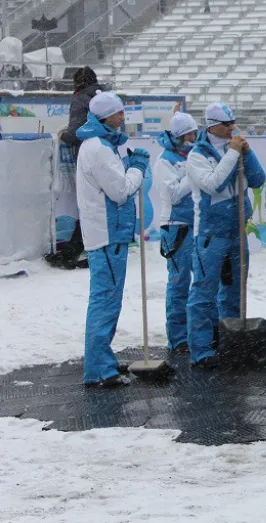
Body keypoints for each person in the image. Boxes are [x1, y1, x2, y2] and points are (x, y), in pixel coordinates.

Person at [185, 103, 266, 368]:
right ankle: (201, 349)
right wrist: (232, 153)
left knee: (234, 290)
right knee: (204, 291)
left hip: (236, 230)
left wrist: (248, 153)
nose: (232, 127)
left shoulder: (236, 148)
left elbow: (257, 180)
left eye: (233, 122)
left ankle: (228, 340)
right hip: (211, 232)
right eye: (226, 123)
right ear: (211, 125)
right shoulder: (197, 155)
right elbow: (214, 183)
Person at [76, 92, 148, 387]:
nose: (123, 118)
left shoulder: (100, 144)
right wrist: (138, 168)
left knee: (108, 301)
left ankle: (101, 359)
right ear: (106, 116)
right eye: (119, 113)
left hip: (108, 233)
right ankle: (99, 369)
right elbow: (120, 191)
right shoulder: (99, 148)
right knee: (105, 301)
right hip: (106, 235)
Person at [50, 67, 104, 270]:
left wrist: (62, 134)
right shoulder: (102, 97)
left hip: (87, 156)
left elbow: (75, 133)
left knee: (89, 205)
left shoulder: (81, 98)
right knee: (100, 204)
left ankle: (75, 248)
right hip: (106, 154)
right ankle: (87, 248)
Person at [155, 112, 199, 354]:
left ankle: (198, 331)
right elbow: (172, 194)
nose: (193, 138)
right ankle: (178, 337)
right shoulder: (165, 160)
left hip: (196, 224)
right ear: (180, 136)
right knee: (179, 282)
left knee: (201, 281)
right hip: (176, 227)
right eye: (189, 134)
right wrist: (192, 174)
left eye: (195, 133)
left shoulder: (192, 155)